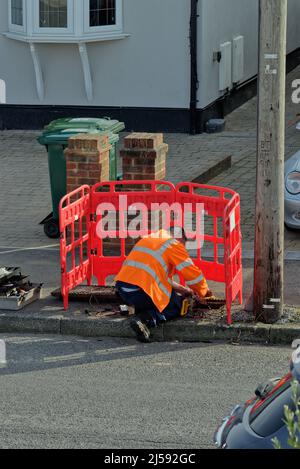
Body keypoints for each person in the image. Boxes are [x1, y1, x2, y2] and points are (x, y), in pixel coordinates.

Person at [115, 228, 212, 343]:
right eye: (183, 245)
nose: (183, 248)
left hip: (123, 289)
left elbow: (160, 278)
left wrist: (183, 289)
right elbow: (192, 274)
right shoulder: (173, 244)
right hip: (141, 291)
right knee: (178, 304)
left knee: (162, 298)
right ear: (180, 239)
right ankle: (145, 320)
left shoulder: (150, 238)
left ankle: (143, 311)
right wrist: (204, 293)